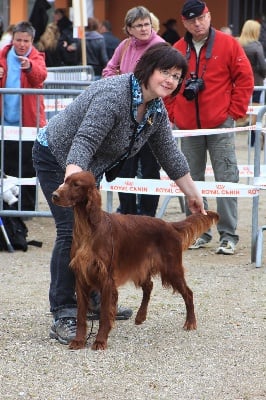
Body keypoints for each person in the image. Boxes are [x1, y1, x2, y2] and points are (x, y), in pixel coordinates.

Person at [32, 42, 206, 345]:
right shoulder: (115, 95)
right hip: (57, 155)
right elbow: (84, 141)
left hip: (87, 169)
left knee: (96, 234)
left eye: (177, 76)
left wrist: (192, 193)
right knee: (69, 232)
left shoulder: (155, 110)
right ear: (148, 69)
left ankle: (96, 297)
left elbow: (169, 154)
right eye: (165, 72)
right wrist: (71, 180)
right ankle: (64, 312)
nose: (170, 80)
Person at [164, 0, 254, 255]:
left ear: (209, 16)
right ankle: (197, 232)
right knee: (189, 179)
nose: (198, 23)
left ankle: (228, 235)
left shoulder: (227, 44)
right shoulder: (178, 49)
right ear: (184, 22)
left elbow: (245, 78)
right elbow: (167, 85)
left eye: (201, 18)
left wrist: (234, 112)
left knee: (227, 177)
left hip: (219, 125)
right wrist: (174, 114)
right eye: (191, 20)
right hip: (188, 126)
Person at [102, 6, 164, 217]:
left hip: (150, 116)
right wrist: (118, 85)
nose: (145, 29)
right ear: (129, 29)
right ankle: (126, 215)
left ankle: (148, 217)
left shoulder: (160, 47)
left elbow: (164, 79)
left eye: (147, 24)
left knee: (149, 169)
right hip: (125, 118)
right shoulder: (125, 45)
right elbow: (109, 69)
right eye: (139, 26)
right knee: (124, 168)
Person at [0, 21, 47, 211]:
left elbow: (40, 76)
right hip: (4, 123)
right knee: (6, 166)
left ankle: (27, 207)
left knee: (28, 168)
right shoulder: (2, 56)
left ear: (32, 41)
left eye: (26, 41)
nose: (22, 44)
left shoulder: (37, 57)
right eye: (18, 40)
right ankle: (7, 206)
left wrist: (29, 67)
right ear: (13, 39)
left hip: (28, 124)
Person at [239, 19, 266, 146]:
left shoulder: (238, 44)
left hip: (240, 83)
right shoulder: (256, 46)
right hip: (256, 84)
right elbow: (262, 66)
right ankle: (253, 141)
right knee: (256, 112)